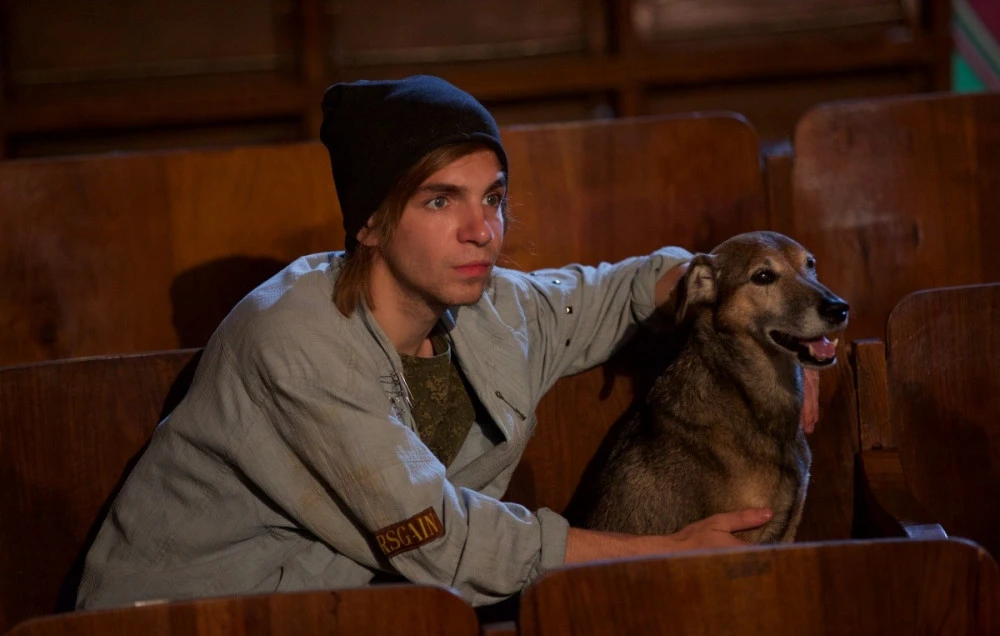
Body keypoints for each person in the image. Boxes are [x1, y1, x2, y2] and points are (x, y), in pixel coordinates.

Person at [76, 75, 817, 610]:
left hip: (344, 615)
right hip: (184, 620)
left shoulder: (487, 305)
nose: (482, 230)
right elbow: (442, 540)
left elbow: (618, 290)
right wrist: (666, 552)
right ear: (371, 223)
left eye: (493, 197)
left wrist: (762, 330)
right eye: (441, 200)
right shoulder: (293, 338)